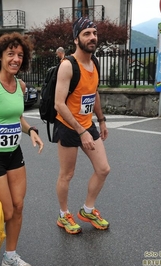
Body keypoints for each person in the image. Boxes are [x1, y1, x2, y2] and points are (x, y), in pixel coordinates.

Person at [0, 32, 44, 266]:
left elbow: (17, 119)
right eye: (11, 54)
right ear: (0, 57)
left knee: (19, 206)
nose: (16, 59)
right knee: (5, 211)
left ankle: (10, 257)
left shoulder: (20, 85)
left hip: (15, 153)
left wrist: (31, 130)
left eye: (20, 55)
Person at [53, 17, 110, 234]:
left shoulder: (94, 63)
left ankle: (87, 209)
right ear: (76, 39)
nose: (92, 37)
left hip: (87, 124)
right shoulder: (68, 65)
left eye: (94, 33)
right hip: (68, 126)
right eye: (86, 33)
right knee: (67, 174)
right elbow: (59, 104)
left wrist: (101, 120)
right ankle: (63, 214)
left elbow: (93, 93)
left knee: (103, 169)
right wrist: (81, 131)